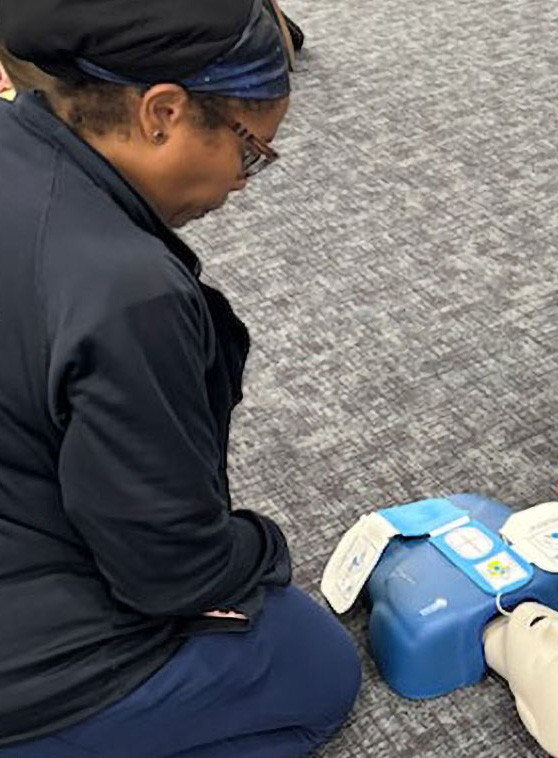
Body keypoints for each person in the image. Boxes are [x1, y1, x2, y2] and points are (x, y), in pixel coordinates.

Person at [0, 1, 360, 755]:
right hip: (27, 666)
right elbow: (171, 573)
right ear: (161, 112)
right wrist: (263, 549)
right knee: (316, 667)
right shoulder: (128, 293)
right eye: (251, 152)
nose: (243, 183)